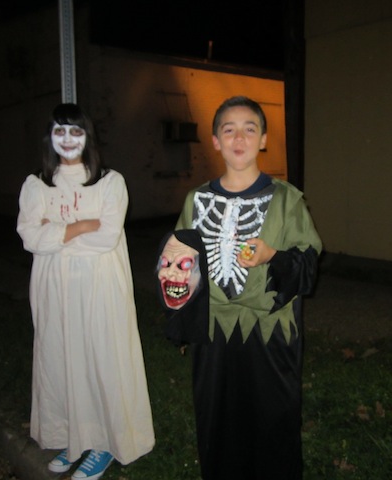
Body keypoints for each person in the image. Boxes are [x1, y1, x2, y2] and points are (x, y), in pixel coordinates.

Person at [173, 96, 322, 480]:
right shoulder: (196, 200)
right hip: (213, 336)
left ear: (263, 139)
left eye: (249, 129)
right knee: (217, 420)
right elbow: (180, 266)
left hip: (269, 335)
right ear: (216, 141)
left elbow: (308, 267)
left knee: (274, 420)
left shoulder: (287, 200)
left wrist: (274, 256)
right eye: (229, 130)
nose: (239, 138)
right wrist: (182, 320)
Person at [17, 103, 155, 480]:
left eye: (75, 131)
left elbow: (107, 237)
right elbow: (30, 237)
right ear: (49, 137)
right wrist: (80, 226)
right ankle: (74, 436)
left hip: (100, 287)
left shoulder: (110, 182)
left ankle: (105, 443)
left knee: (99, 358)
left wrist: (56, 230)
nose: (67, 139)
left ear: (87, 137)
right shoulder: (37, 185)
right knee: (61, 359)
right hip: (53, 289)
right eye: (59, 131)